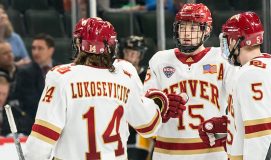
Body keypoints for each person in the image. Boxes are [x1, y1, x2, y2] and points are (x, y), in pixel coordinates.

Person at [24, 17, 185, 160]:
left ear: (79, 44)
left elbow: (40, 143)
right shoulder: (126, 73)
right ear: (111, 46)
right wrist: (158, 103)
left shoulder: (60, 76)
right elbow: (148, 126)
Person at [199, 12, 271, 159]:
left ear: (235, 41)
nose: (226, 45)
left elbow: (261, 134)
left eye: (228, 39)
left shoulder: (250, 75)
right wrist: (232, 125)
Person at [143, 3, 229, 160]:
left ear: (207, 30)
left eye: (193, 28)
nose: (186, 33)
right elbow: (144, 106)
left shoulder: (222, 59)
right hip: (169, 152)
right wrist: (161, 106)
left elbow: (236, 102)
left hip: (213, 153)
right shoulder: (159, 60)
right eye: (182, 27)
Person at [11, 33, 58, 135]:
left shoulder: (60, 70)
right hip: (34, 125)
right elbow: (32, 103)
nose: (36, 52)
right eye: (33, 48)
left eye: (40, 48)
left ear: (51, 50)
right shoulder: (25, 72)